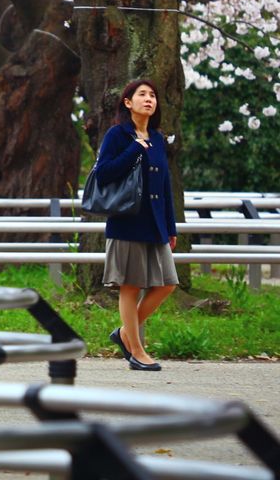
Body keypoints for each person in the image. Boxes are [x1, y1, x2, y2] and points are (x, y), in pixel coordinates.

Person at [96, 79, 177, 372]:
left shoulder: (157, 137)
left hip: (155, 223)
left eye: (153, 95)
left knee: (167, 284)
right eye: (141, 94)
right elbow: (103, 173)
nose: (149, 99)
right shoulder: (117, 135)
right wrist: (134, 150)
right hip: (126, 222)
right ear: (128, 103)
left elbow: (165, 185)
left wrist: (171, 227)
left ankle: (124, 334)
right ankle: (136, 351)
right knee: (130, 288)